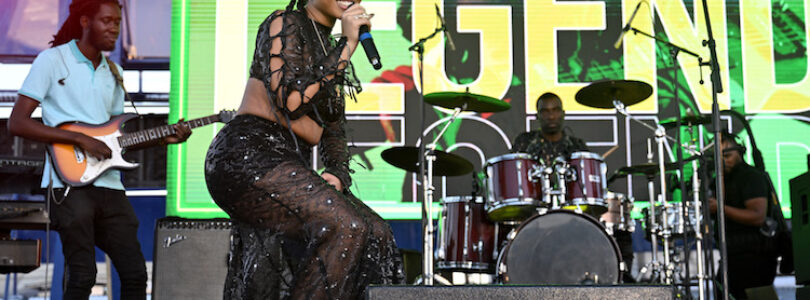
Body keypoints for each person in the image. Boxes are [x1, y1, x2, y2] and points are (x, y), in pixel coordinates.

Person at [203, 0, 404, 298]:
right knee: (346, 226)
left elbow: (334, 129)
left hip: (286, 161)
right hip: (247, 154)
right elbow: (290, 101)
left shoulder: (329, 52)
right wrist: (347, 45)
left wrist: (336, 172)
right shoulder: (285, 23)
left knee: (377, 234)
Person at [7, 1, 191, 299]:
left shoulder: (115, 72)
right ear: (84, 22)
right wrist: (79, 140)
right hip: (68, 186)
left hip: (109, 185)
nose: (114, 28)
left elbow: (114, 140)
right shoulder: (52, 61)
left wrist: (163, 138)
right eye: (106, 21)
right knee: (82, 274)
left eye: (117, 22)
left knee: (135, 274)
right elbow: (17, 123)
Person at [709, 132, 776, 299]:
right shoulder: (719, 180)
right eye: (718, 157)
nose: (724, 160)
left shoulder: (751, 177)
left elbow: (757, 216)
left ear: (740, 152)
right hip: (730, 256)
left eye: (727, 155)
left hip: (755, 255)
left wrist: (720, 208)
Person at [511, 92, 588, 163]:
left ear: (563, 114)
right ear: (537, 116)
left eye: (556, 110)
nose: (551, 116)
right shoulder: (525, 142)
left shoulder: (577, 146)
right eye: (545, 111)